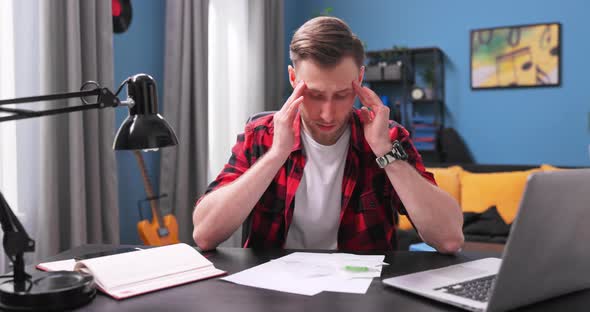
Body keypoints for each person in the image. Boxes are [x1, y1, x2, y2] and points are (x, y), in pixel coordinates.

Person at [193, 16, 464, 253]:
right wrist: (277, 154)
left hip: (363, 294)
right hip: (274, 294)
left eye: (342, 95)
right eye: (314, 95)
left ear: (359, 80)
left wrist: (385, 151)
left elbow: (449, 239)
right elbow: (205, 235)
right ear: (292, 78)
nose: (327, 113)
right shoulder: (261, 134)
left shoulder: (389, 137)